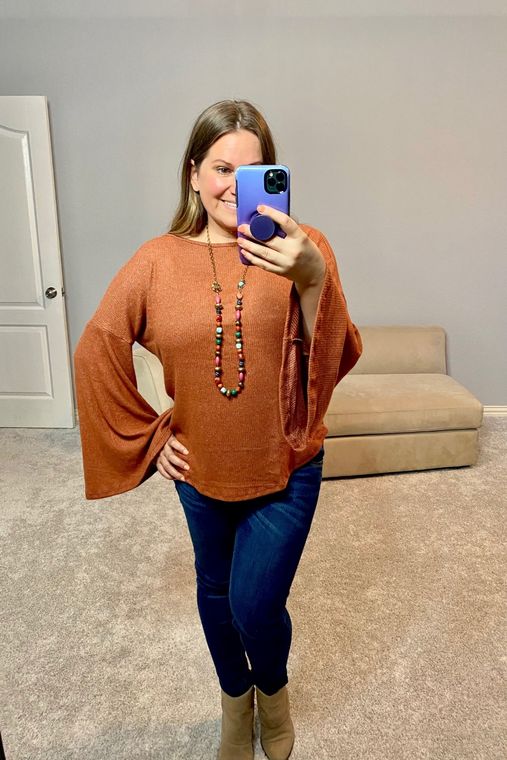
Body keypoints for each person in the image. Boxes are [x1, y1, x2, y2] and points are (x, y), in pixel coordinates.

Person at [74, 99, 362, 760]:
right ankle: (236, 702)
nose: (234, 185)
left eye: (253, 171)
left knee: (254, 604)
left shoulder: (304, 249)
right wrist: (149, 438)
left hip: (287, 463)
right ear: (194, 174)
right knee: (214, 592)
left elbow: (333, 356)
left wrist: (312, 280)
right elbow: (97, 347)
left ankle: (273, 694)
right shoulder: (156, 260)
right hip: (200, 470)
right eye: (221, 168)